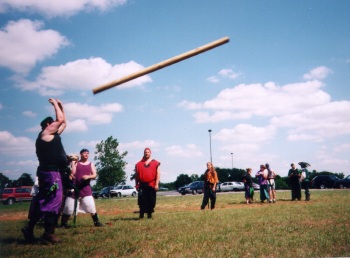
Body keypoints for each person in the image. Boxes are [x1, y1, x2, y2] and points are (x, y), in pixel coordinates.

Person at [22, 98, 68, 244]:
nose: (56, 123)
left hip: (50, 173)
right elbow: (60, 120)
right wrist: (55, 104)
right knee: (54, 201)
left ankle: (29, 229)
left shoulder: (53, 136)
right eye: (53, 122)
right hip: (50, 173)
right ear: (48, 125)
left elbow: (64, 122)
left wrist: (61, 106)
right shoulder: (45, 134)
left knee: (44, 201)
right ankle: (48, 234)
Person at [60, 149, 103, 228]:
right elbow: (73, 173)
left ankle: (96, 222)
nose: (86, 154)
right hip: (74, 188)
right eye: (84, 153)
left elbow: (94, 175)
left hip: (85, 188)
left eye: (88, 153)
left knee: (90, 205)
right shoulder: (76, 163)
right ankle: (63, 224)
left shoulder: (91, 164)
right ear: (81, 154)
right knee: (69, 207)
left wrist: (88, 176)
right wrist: (73, 162)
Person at [135, 148, 160, 219]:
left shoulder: (155, 163)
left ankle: (149, 214)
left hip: (151, 185)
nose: (146, 153)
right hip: (142, 185)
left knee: (151, 200)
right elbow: (136, 176)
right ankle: (141, 215)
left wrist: (157, 184)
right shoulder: (138, 164)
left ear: (150, 153)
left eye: (148, 152)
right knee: (142, 201)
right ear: (143, 153)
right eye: (145, 152)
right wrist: (136, 184)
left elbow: (158, 174)